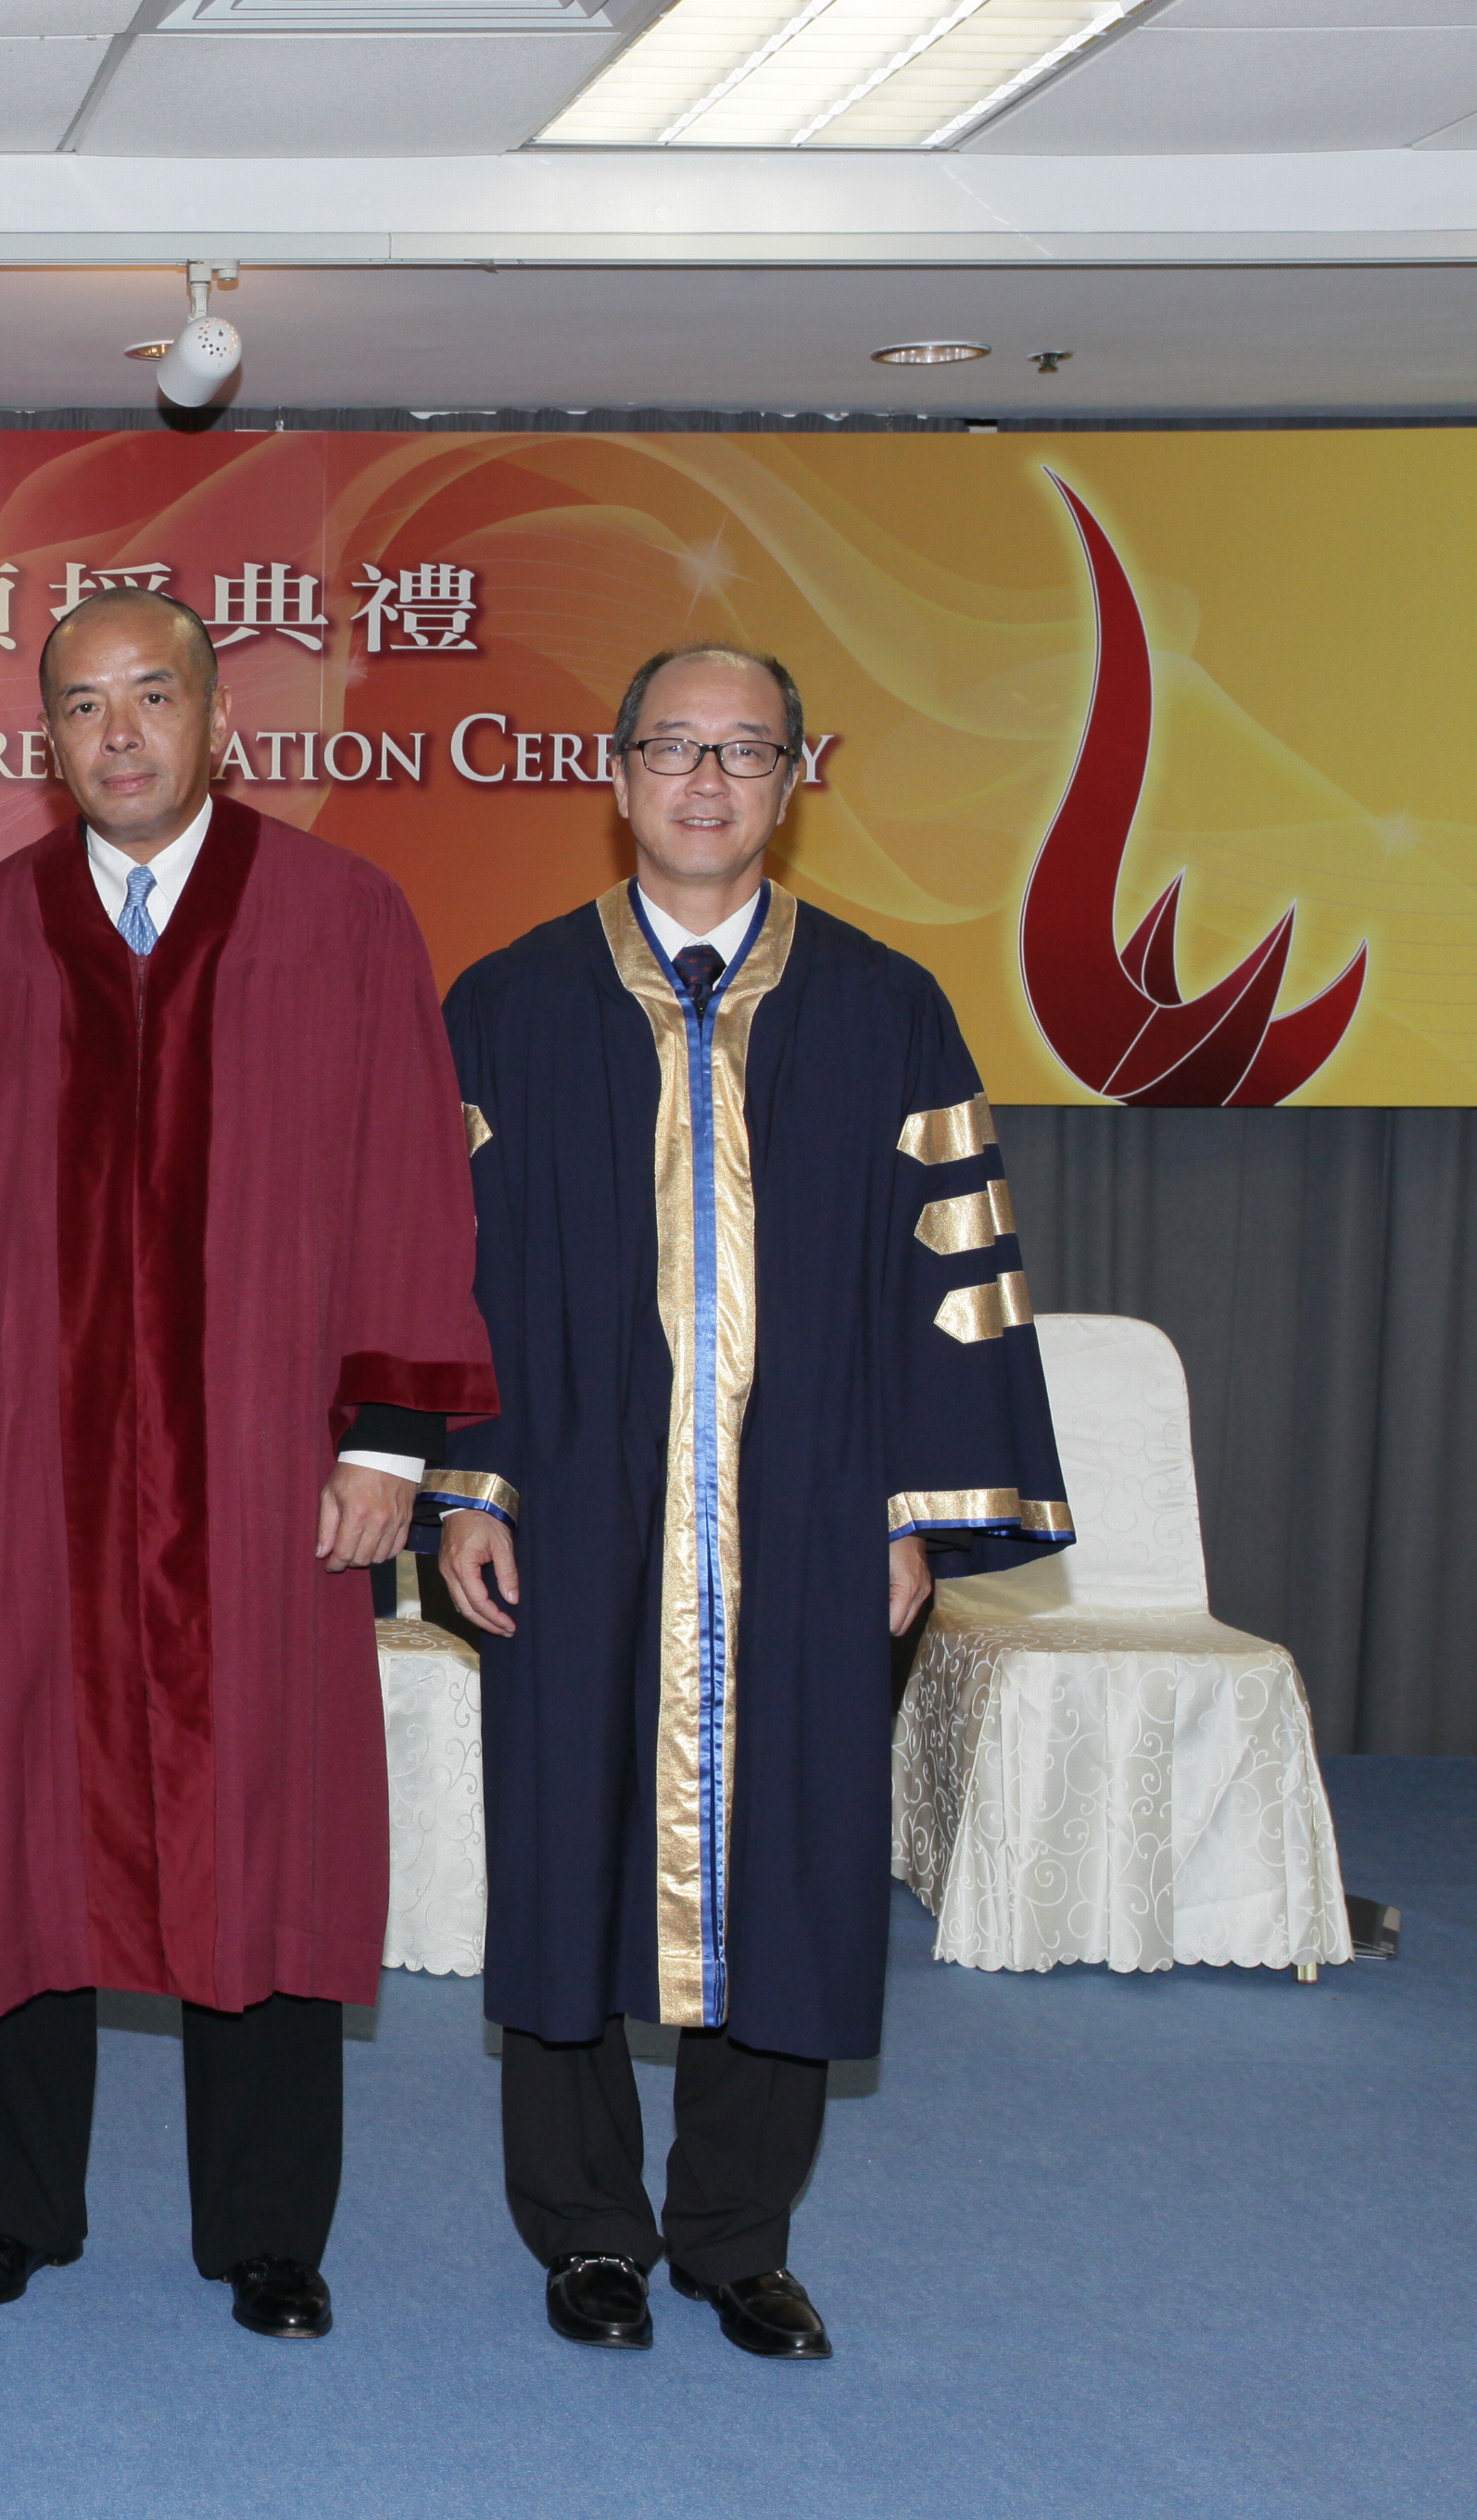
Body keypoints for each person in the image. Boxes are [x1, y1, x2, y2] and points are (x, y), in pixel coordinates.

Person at [0, 589, 495, 2337]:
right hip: (36, 1478)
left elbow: (407, 1188)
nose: (119, 730)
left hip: (267, 1458)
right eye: (81, 705)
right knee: (11, 1823)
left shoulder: (342, 919)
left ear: (221, 720)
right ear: (42, 741)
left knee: (267, 1829)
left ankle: (269, 2234)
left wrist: (385, 1435)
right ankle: (6, 2211)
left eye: (153, 696)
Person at [434, 645, 1072, 2361]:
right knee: (564, 1850)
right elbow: (451, 1275)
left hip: (808, 1514)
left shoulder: (888, 1012)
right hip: (571, 1506)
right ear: (613, 769)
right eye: (674, 748)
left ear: (800, 776)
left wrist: (914, 1514)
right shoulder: (506, 1004)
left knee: (791, 1860)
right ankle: (584, 2232)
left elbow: (955, 1286)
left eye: (745, 752)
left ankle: (734, 2236)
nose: (706, 781)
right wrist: (469, 1482)